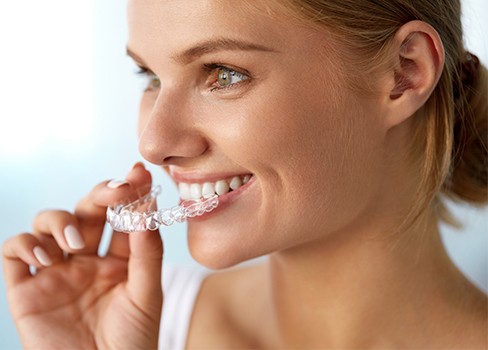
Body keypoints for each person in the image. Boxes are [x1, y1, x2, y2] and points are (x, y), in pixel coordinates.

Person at [3, 0, 487, 348]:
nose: (153, 143)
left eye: (223, 73)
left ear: (404, 73)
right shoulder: (131, 322)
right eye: (150, 77)